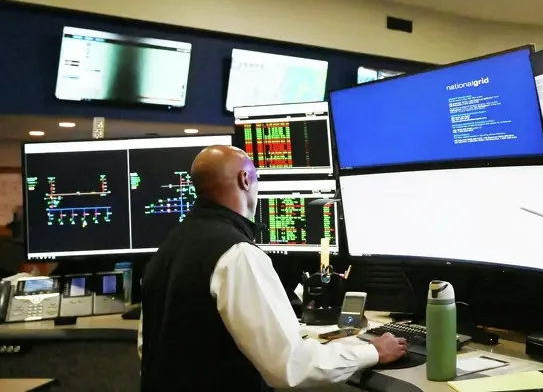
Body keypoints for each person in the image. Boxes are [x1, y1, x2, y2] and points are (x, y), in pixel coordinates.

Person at [138, 145, 407, 391]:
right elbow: (290, 366)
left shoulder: (169, 247)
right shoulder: (237, 253)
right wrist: (373, 352)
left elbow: (147, 345)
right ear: (245, 179)